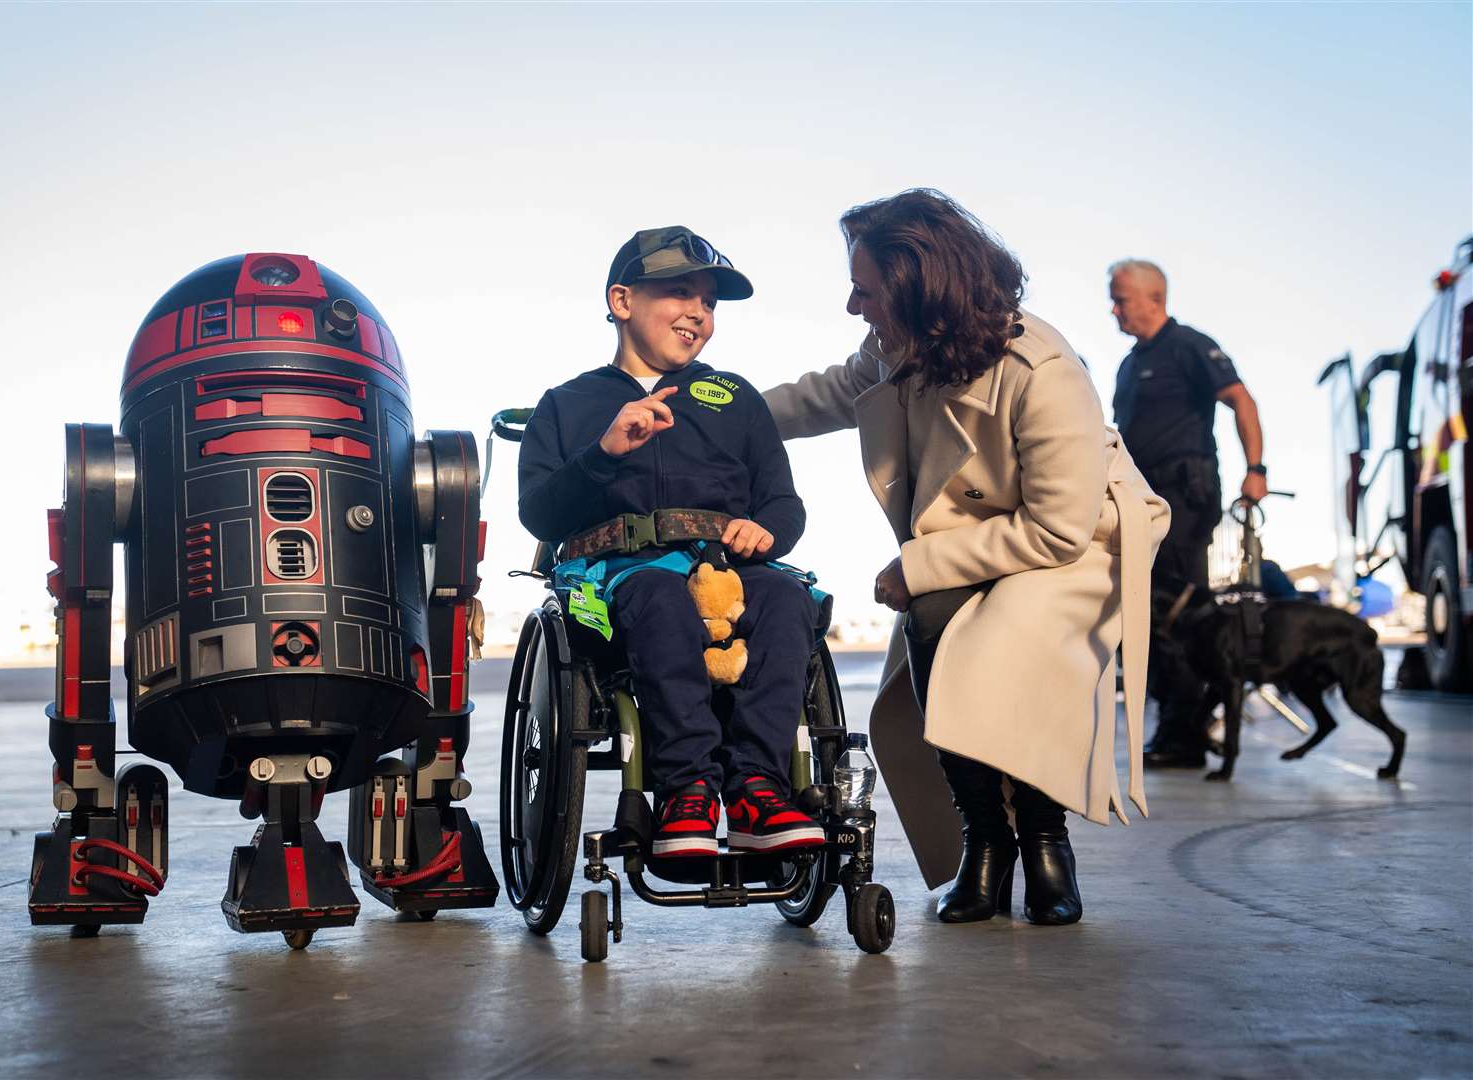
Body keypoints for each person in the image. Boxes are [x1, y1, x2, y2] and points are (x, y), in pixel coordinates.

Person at [764, 190, 1170, 925]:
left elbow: (1056, 529)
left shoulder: (1041, 367)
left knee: (1013, 646)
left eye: (866, 288)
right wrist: (712, 414)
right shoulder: (898, 348)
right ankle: (986, 840)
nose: (853, 304)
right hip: (982, 545)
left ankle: (1046, 841)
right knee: (936, 623)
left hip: (1076, 546)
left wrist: (917, 564)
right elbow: (819, 396)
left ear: (919, 288)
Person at [517, 226, 825, 858]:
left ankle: (756, 791)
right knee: (657, 596)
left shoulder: (733, 397)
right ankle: (686, 790)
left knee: (784, 600)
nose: (699, 313)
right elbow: (539, 515)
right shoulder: (567, 405)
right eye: (680, 293)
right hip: (618, 577)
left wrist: (768, 530)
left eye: (709, 302)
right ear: (623, 301)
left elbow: (782, 502)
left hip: (728, 569)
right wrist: (602, 454)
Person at [1108, 260, 1267, 768]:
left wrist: (1256, 468)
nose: (1114, 309)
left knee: (1173, 612)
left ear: (1154, 298)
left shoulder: (1190, 345)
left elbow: (1240, 400)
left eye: (1121, 299)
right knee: (1142, 614)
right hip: (1140, 502)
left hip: (1185, 495)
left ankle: (1185, 734)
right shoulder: (1131, 364)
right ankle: (1177, 727)